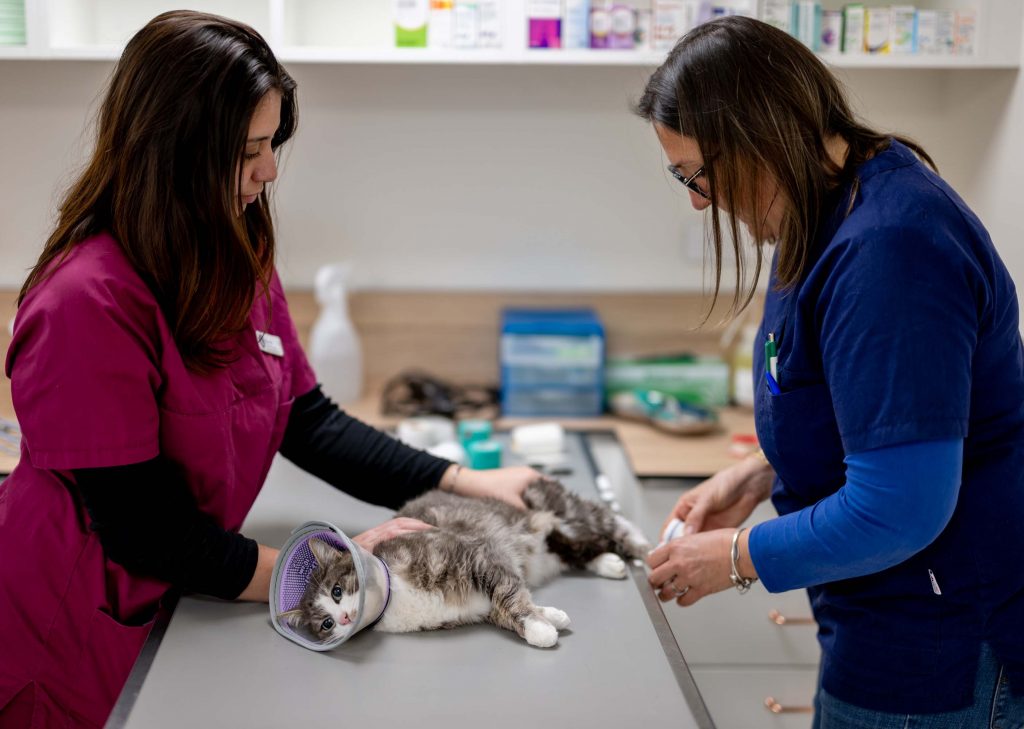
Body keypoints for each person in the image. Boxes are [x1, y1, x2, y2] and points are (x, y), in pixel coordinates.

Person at [0, 11, 538, 728]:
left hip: (180, 599)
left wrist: (468, 482)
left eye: (273, 143)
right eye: (250, 149)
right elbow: (144, 528)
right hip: (65, 625)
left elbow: (306, 420)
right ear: (173, 148)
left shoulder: (231, 253)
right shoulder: (85, 301)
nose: (270, 170)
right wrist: (323, 569)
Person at [637, 16, 1024, 728]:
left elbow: (899, 506)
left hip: (939, 639)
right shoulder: (824, 211)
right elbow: (875, 408)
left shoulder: (890, 249)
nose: (697, 199)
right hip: (881, 616)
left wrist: (736, 556)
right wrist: (759, 472)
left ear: (757, 137)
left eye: (698, 174)